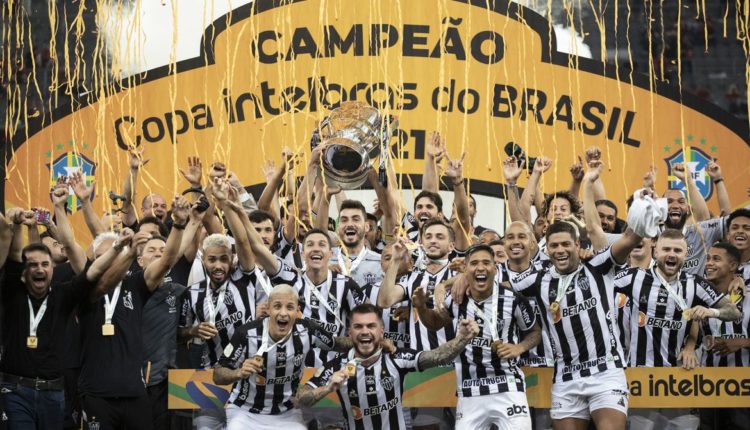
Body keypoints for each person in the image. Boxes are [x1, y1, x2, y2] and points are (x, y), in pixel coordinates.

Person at [0, 212, 122, 429]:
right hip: (16, 391)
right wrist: (17, 225)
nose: (39, 269)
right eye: (33, 265)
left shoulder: (62, 295)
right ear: (25, 271)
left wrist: (117, 248)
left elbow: (92, 271)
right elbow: (15, 254)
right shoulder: (13, 293)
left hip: (53, 393)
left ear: (52, 269)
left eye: (45, 264)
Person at [77, 197, 189, 430]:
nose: (109, 260)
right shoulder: (84, 290)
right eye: (102, 256)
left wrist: (179, 224)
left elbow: (167, 260)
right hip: (96, 393)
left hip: (135, 392)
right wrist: (76, 204)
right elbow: (71, 246)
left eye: (115, 254)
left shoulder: (136, 285)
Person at [295, 303, 479, 429]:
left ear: (381, 331)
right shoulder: (337, 366)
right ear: (349, 332)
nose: (365, 331)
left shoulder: (396, 357)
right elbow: (301, 399)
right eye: (358, 326)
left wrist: (463, 338)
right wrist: (328, 388)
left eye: (371, 326)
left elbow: (438, 356)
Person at [416, 245, 541, 430]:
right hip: (470, 390)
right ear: (466, 270)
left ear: (495, 269)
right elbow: (435, 323)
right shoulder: (457, 299)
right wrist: (420, 307)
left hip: (508, 386)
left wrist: (519, 348)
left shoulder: (514, 299)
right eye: (474, 263)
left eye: (486, 263)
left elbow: (535, 332)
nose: (480, 267)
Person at [213, 285, 353, 429]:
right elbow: (217, 375)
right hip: (245, 412)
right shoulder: (245, 333)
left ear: (297, 311)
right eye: (277, 306)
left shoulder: (308, 330)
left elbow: (337, 344)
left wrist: (363, 340)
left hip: (288, 412)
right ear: (268, 309)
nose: (283, 313)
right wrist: (238, 373)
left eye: (290, 307)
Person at [613, 229, 738, 367]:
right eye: (666, 249)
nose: (672, 254)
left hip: (676, 373)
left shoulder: (695, 284)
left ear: (685, 255)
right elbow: (599, 283)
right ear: (656, 252)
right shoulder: (634, 277)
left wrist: (711, 312)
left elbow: (734, 312)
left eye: (677, 250)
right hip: (638, 371)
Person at [699, 242, 750, 429]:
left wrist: (744, 342)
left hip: (741, 387)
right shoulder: (698, 296)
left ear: (733, 265)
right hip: (707, 386)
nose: (709, 263)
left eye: (716, 259)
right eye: (708, 259)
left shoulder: (748, 298)